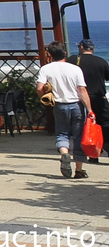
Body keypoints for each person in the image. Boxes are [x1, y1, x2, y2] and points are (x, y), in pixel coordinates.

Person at [39, 41, 92, 178]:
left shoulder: (46, 69)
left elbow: (39, 87)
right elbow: (82, 91)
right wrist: (90, 110)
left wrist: (45, 98)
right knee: (79, 136)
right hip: (76, 105)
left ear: (50, 55)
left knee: (62, 133)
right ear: (65, 53)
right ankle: (79, 170)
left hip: (59, 105)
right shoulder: (75, 69)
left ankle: (64, 154)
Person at [74, 41, 109, 163]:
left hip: (82, 98)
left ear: (82, 47)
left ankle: (93, 155)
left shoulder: (74, 60)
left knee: (87, 127)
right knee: (105, 125)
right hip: (100, 98)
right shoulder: (101, 61)